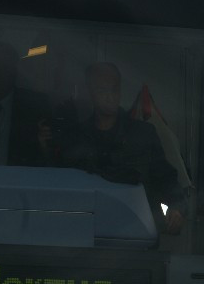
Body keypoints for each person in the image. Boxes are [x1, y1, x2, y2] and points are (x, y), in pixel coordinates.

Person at [57, 62, 188, 234]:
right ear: (90, 93)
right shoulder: (77, 137)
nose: (110, 97)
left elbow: (165, 177)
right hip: (86, 233)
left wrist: (176, 207)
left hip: (137, 234)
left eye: (114, 89)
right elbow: (63, 183)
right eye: (102, 90)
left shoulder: (143, 134)